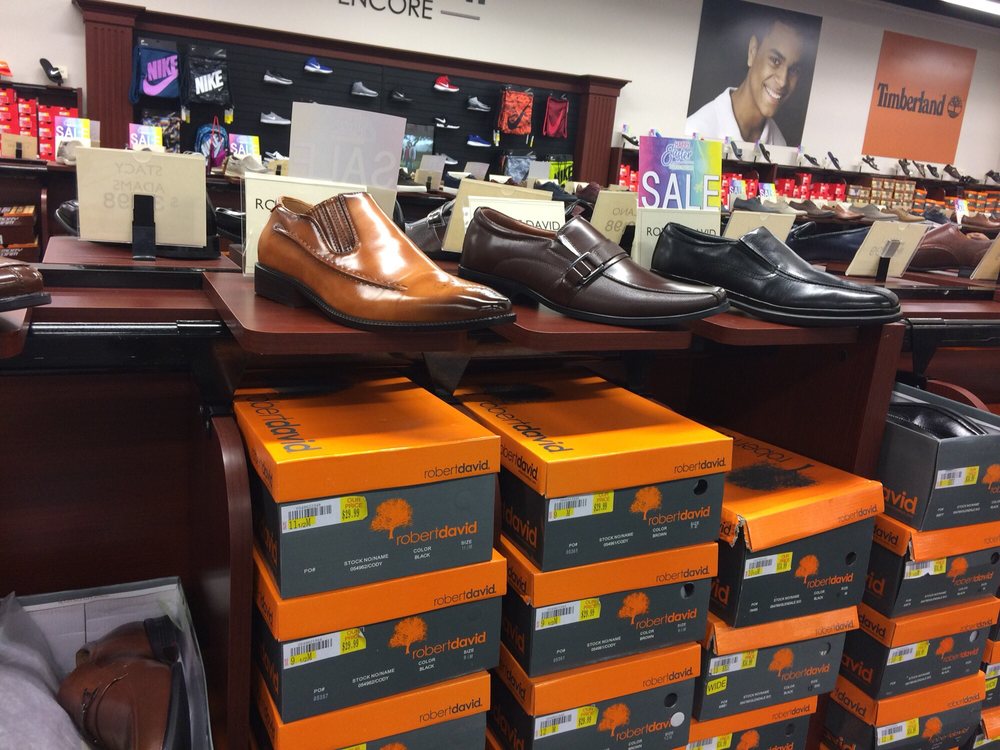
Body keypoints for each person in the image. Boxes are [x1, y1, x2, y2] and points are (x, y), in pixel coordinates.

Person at [685, 14, 810, 146]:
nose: (782, 81)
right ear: (752, 51)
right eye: (775, 60)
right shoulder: (694, 133)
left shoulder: (779, 143)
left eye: (793, 70)